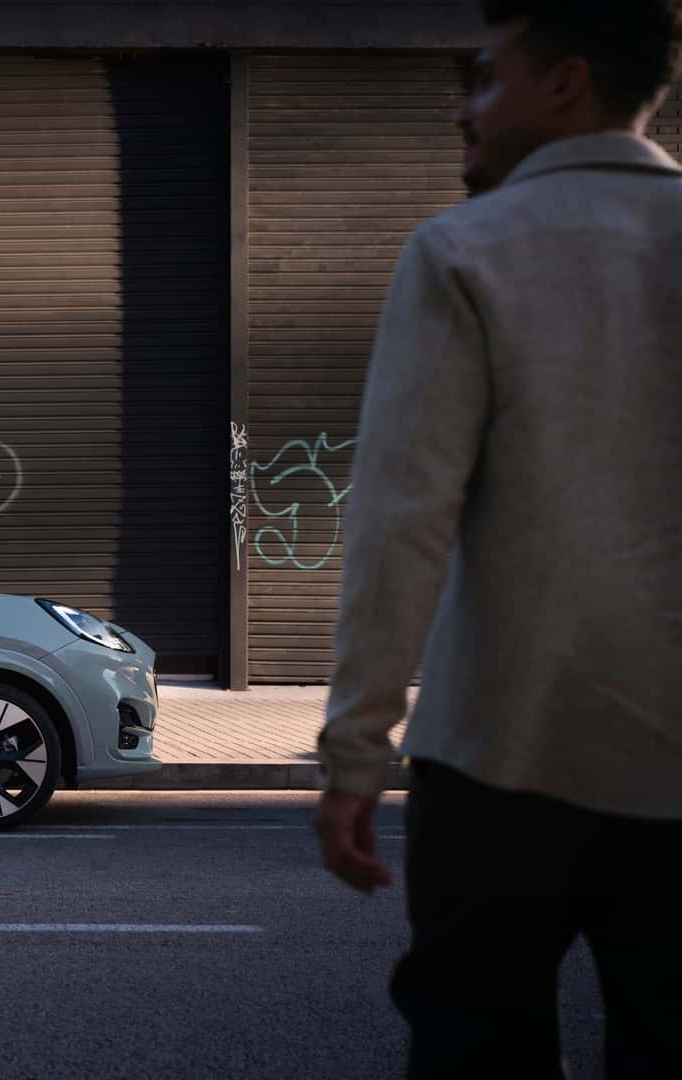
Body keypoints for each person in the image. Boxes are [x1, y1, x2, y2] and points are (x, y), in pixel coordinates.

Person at [313, 1, 682, 1075]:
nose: (465, 112)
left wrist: (355, 757)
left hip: (498, 759)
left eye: (485, 78)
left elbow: (399, 523)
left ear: (564, 82)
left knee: (477, 1045)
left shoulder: (463, 251)